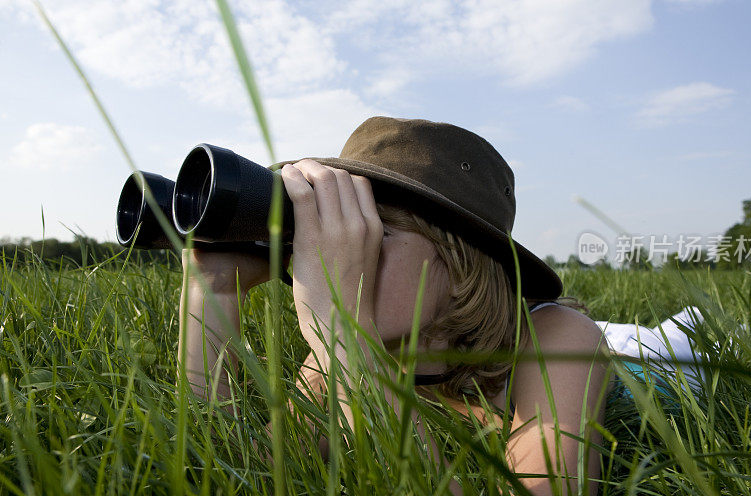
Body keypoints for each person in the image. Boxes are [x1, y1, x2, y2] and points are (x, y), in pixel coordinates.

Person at [178, 116, 609, 495]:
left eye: (371, 233)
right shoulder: (337, 360)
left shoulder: (558, 339)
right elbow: (243, 473)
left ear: (461, 262)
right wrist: (212, 291)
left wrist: (344, 333)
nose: (334, 255)